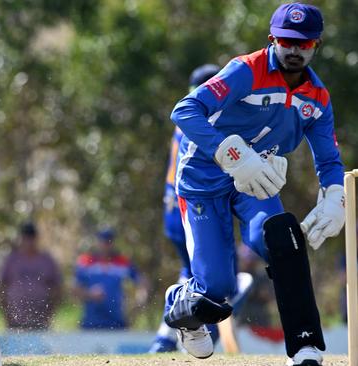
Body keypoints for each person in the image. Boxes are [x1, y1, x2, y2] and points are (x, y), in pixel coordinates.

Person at [164, 3, 344, 365]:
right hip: (203, 181)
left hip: (253, 185)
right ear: (272, 39)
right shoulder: (245, 71)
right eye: (286, 41)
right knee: (217, 290)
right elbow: (184, 110)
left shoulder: (318, 98)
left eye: (304, 44)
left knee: (283, 240)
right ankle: (182, 303)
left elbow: (328, 159)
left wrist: (335, 196)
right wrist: (231, 155)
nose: (294, 51)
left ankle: (306, 346)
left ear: (316, 45)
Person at [149, 65, 254, 354]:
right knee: (217, 280)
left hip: (172, 208)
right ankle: (201, 328)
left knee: (192, 274)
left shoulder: (188, 114)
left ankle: (165, 339)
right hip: (191, 208)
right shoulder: (204, 117)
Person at [74, 229, 145, 330]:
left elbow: (142, 282)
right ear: (97, 242)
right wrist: (90, 294)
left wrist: (140, 299)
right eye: (102, 241)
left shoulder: (123, 262)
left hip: (117, 322)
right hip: (90, 323)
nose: (105, 244)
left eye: (108, 241)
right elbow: (75, 290)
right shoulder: (85, 261)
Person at [0, 222, 63, 330]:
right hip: (15, 320)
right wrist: (6, 315)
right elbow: (2, 287)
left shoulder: (46, 260)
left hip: (40, 320)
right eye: (26, 238)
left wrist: (50, 313)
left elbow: (57, 289)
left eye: (31, 238)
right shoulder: (12, 260)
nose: (29, 242)